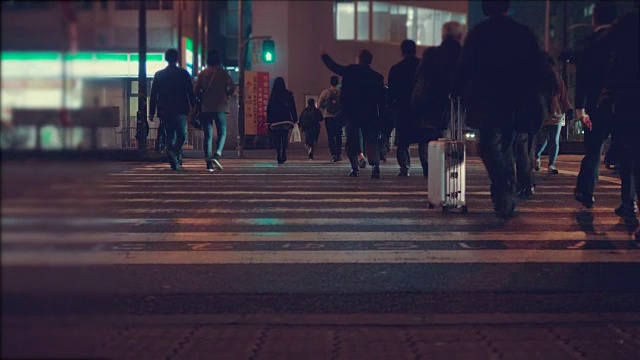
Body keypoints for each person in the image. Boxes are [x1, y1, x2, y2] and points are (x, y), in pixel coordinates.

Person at [453, 0, 546, 218]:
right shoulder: (523, 33)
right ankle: (506, 188)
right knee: (508, 143)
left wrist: (457, 88)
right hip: (517, 100)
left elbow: (465, 65)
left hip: (488, 99)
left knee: (489, 146)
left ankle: (503, 186)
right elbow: (537, 69)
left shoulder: (479, 33)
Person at [574, 1, 619, 210]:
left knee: (593, 150)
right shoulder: (624, 41)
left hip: (595, 106)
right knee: (627, 154)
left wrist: (580, 107)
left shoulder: (591, 43)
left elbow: (582, 78)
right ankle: (629, 202)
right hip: (622, 104)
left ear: (595, 18)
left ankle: (587, 191)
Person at [600, 0, 639, 225]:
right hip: (630, 100)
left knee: (633, 159)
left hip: (631, 102)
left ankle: (629, 201)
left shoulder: (627, 25)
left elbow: (612, 62)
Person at [321, 48, 385, 178]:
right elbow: (381, 99)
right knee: (371, 140)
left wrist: (324, 56)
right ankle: (375, 166)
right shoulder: (377, 77)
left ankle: (355, 168)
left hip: (352, 112)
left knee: (351, 140)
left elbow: (335, 67)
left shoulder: (351, 70)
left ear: (359, 59)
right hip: (370, 113)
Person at [411, 22, 464, 178]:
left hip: (431, 105)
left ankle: (430, 171)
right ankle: (451, 173)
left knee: (428, 138)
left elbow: (420, 79)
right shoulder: (464, 54)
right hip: (455, 105)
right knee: (453, 138)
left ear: (442, 36)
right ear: (460, 36)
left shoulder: (430, 54)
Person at [149, 48, 196, 171]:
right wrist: (194, 105)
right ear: (177, 59)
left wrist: (151, 111)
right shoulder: (183, 74)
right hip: (180, 108)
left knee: (170, 135)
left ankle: (173, 156)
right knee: (181, 135)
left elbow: (154, 94)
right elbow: (190, 92)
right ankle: (174, 153)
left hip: (165, 109)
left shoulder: (159, 75)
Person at [194, 49, 236, 172]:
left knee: (207, 135)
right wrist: (226, 94)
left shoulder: (203, 73)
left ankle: (208, 164)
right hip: (220, 107)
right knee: (222, 132)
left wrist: (202, 97)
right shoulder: (223, 73)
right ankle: (217, 154)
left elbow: (196, 90)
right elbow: (232, 87)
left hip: (206, 107)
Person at [388, 39, 421, 177]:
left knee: (402, 141)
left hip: (402, 108)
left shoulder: (396, 69)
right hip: (420, 107)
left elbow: (391, 93)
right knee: (423, 139)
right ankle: (426, 167)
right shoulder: (422, 67)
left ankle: (405, 168)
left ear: (402, 51)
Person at [535, 53, 572, 175]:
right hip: (550, 113)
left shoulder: (555, 78)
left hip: (553, 113)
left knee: (551, 140)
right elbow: (564, 96)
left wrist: (568, 109)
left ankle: (548, 162)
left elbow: (564, 95)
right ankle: (540, 158)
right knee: (547, 139)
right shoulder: (545, 78)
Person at [266, 77, 298, 165]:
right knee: (284, 138)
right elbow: (292, 107)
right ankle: (283, 152)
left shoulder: (273, 95)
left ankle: (278, 154)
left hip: (275, 121)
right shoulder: (288, 94)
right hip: (285, 120)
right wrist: (295, 118)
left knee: (277, 138)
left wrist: (268, 121)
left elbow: (269, 109)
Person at [318, 76, 343, 162]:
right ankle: (339, 154)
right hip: (338, 116)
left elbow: (319, 105)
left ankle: (333, 155)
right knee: (338, 136)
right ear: (338, 82)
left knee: (331, 136)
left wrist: (326, 107)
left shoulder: (325, 92)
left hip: (328, 116)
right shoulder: (341, 92)